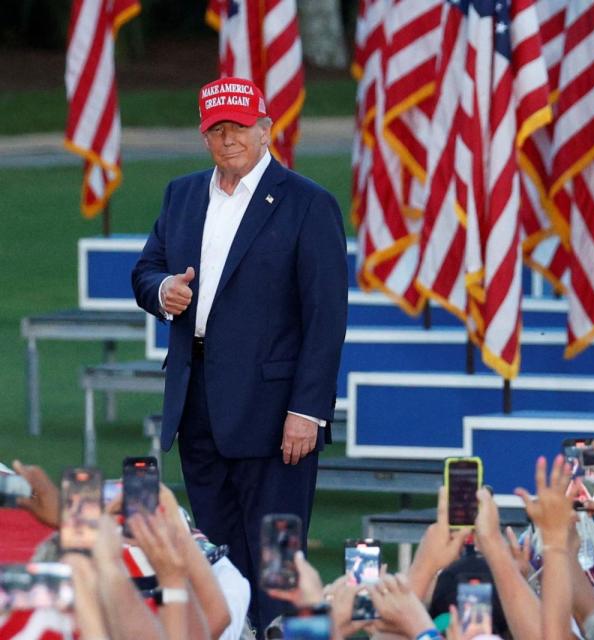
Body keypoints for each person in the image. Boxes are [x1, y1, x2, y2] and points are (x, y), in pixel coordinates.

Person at [131, 76, 348, 634]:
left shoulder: (308, 204)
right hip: (197, 400)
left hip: (277, 414)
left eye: (240, 127)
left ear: (266, 129)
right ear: (204, 137)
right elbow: (146, 269)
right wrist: (162, 292)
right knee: (219, 552)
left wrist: (308, 411)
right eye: (217, 129)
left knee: (276, 554)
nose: (230, 139)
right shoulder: (181, 195)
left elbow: (326, 319)